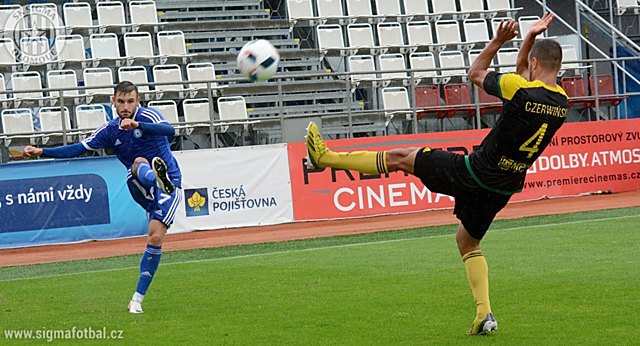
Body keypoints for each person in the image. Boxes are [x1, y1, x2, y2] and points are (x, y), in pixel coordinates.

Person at [305, 14, 567, 335]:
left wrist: (500, 41)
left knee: (402, 158)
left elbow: (476, 73)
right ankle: (484, 314)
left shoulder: (520, 89)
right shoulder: (562, 102)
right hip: (503, 187)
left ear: (536, 61)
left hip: (473, 172)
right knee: (467, 241)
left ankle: (324, 156)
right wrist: (529, 38)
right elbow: (524, 75)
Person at [23, 81, 182, 314]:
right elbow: (78, 148)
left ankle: (136, 299)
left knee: (155, 237)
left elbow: (170, 131)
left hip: (169, 183)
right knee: (138, 164)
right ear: (113, 102)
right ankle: (152, 177)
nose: (125, 106)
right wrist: (42, 152)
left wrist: (139, 124)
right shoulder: (110, 130)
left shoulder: (149, 115)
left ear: (138, 101)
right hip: (139, 183)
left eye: (130, 101)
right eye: (121, 102)